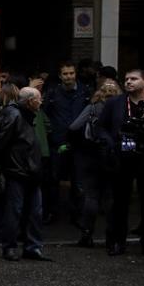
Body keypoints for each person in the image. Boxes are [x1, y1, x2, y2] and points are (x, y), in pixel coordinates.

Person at [96, 69, 144, 261]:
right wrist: (110, 142)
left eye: (134, 79)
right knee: (120, 201)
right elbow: (100, 127)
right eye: (126, 79)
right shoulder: (114, 103)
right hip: (122, 156)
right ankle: (118, 241)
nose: (128, 82)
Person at [0, 87, 52, 262]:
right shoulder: (15, 115)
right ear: (30, 101)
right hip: (18, 169)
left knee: (34, 211)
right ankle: (10, 246)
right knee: (15, 210)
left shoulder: (25, 115)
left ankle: (32, 247)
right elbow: (1, 142)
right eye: (39, 99)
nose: (41, 102)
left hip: (30, 170)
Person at [69, 80, 121, 248]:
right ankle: (112, 237)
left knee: (91, 196)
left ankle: (86, 234)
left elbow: (74, 126)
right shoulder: (120, 109)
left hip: (91, 155)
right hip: (113, 156)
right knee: (110, 197)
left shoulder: (93, 107)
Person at [42, 61, 89, 223]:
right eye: (65, 74)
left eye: (71, 73)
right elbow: (45, 115)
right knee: (53, 179)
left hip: (79, 143)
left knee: (78, 180)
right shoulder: (53, 93)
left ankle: (77, 214)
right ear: (60, 76)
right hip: (57, 142)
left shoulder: (86, 92)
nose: (69, 76)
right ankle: (52, 212)